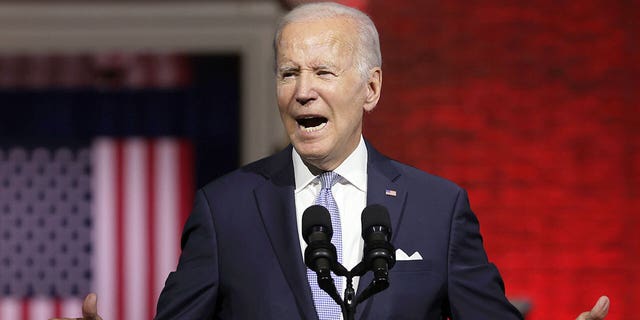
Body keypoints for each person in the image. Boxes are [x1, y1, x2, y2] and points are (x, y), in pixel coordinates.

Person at [53, 2, 609, 319]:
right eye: (288, 72)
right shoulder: (225, 210)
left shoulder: (440, 210)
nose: (302, 91)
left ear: (370, 89)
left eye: (322, 72)